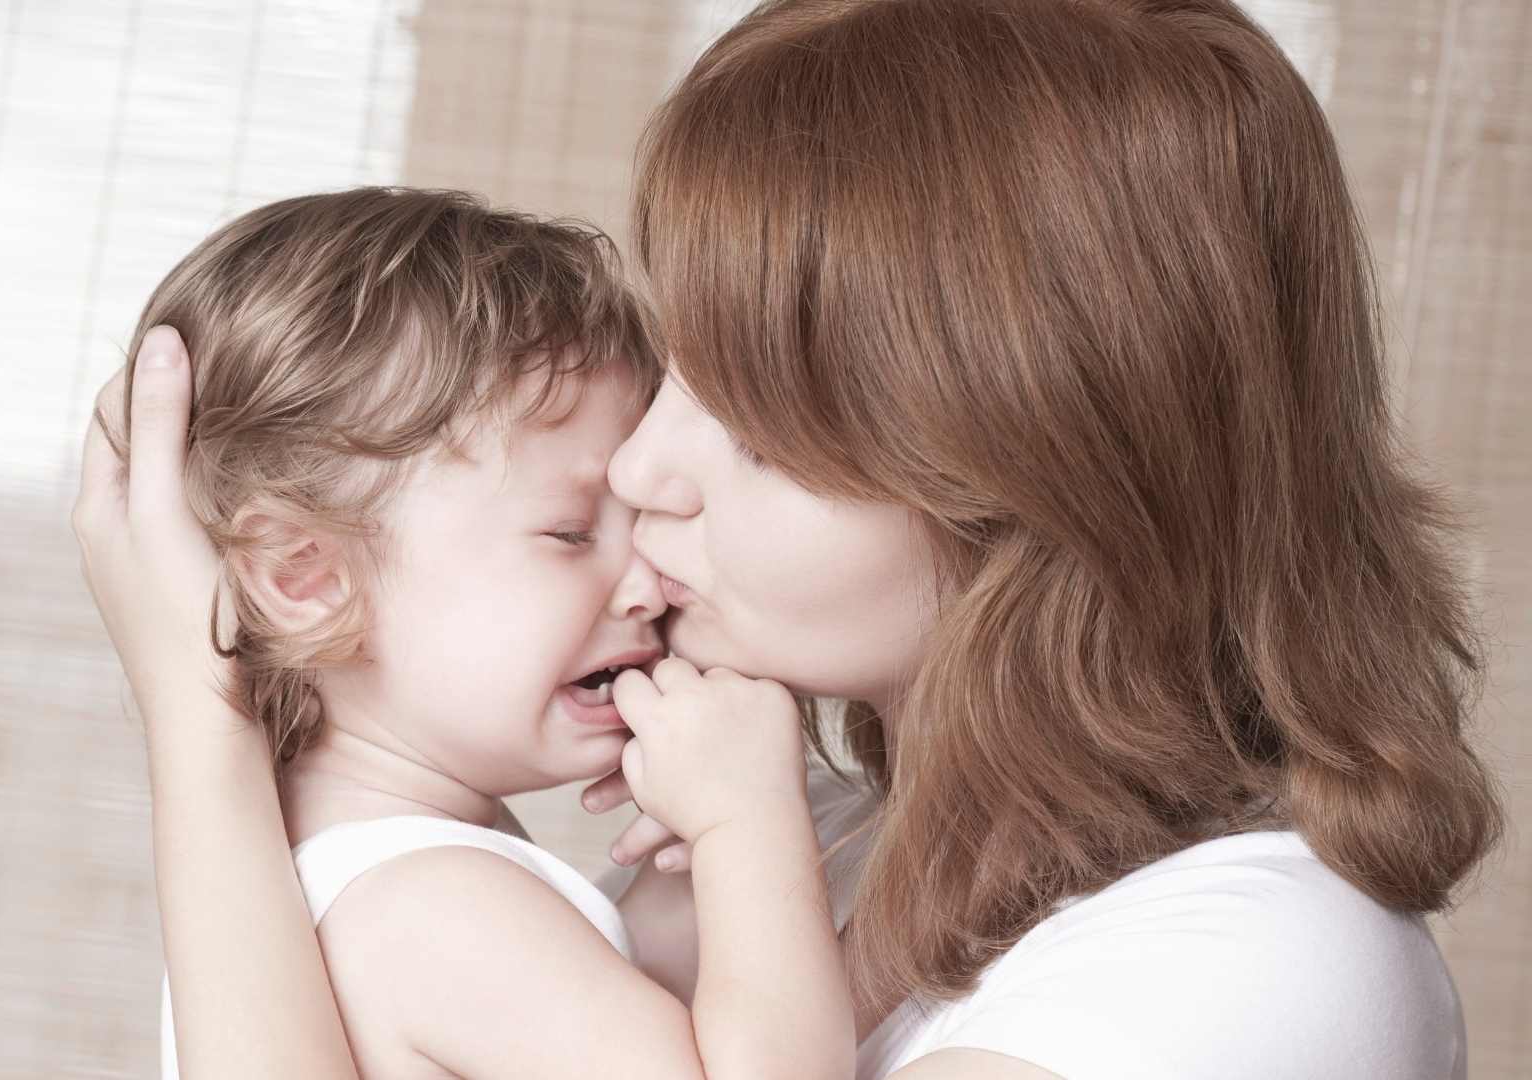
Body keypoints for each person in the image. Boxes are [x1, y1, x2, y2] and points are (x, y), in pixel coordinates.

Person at [74, 1, 1503, 1077]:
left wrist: (209, 750)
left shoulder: (1264, 970)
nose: (645, 468)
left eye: (752, 412)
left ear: (1029, 466)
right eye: (675, 370)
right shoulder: (797, 838)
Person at [91, 186, 853, 1080]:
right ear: (306, 577)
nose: (648, 583)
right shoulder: (437, 906)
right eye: (571, 534)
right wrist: (747, 826)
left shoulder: (324, 880)